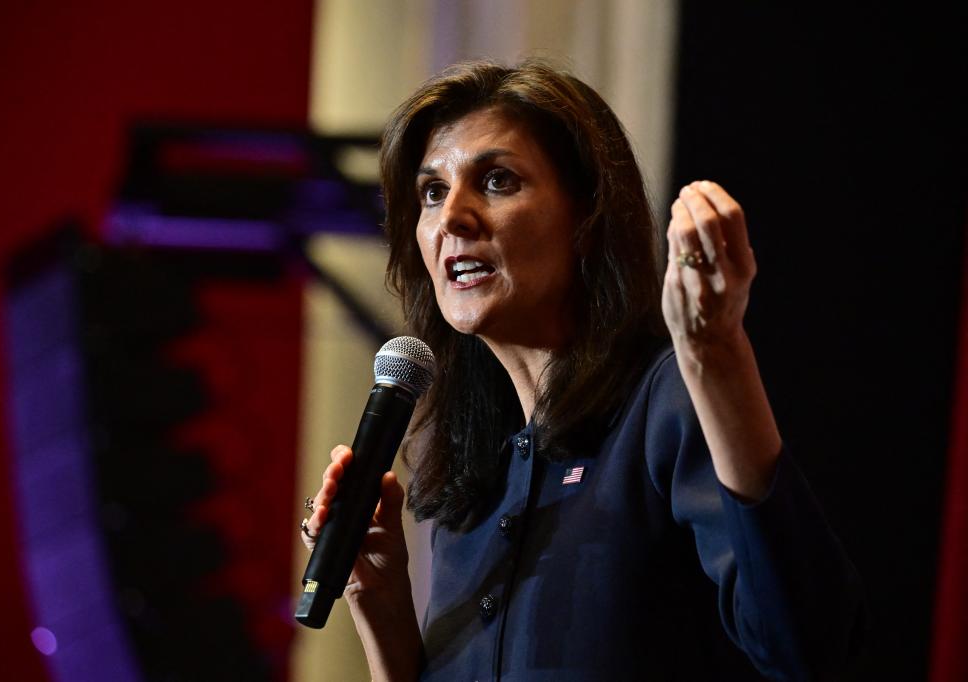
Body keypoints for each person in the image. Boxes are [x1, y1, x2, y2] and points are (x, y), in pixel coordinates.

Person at [300, 59, 866, 681]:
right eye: (433, 192)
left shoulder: (665, 404)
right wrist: (379, 604)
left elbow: (806, 648)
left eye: (496, 181)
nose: (453, 217)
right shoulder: (472, 484)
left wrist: (716, 355)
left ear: (587, 218)